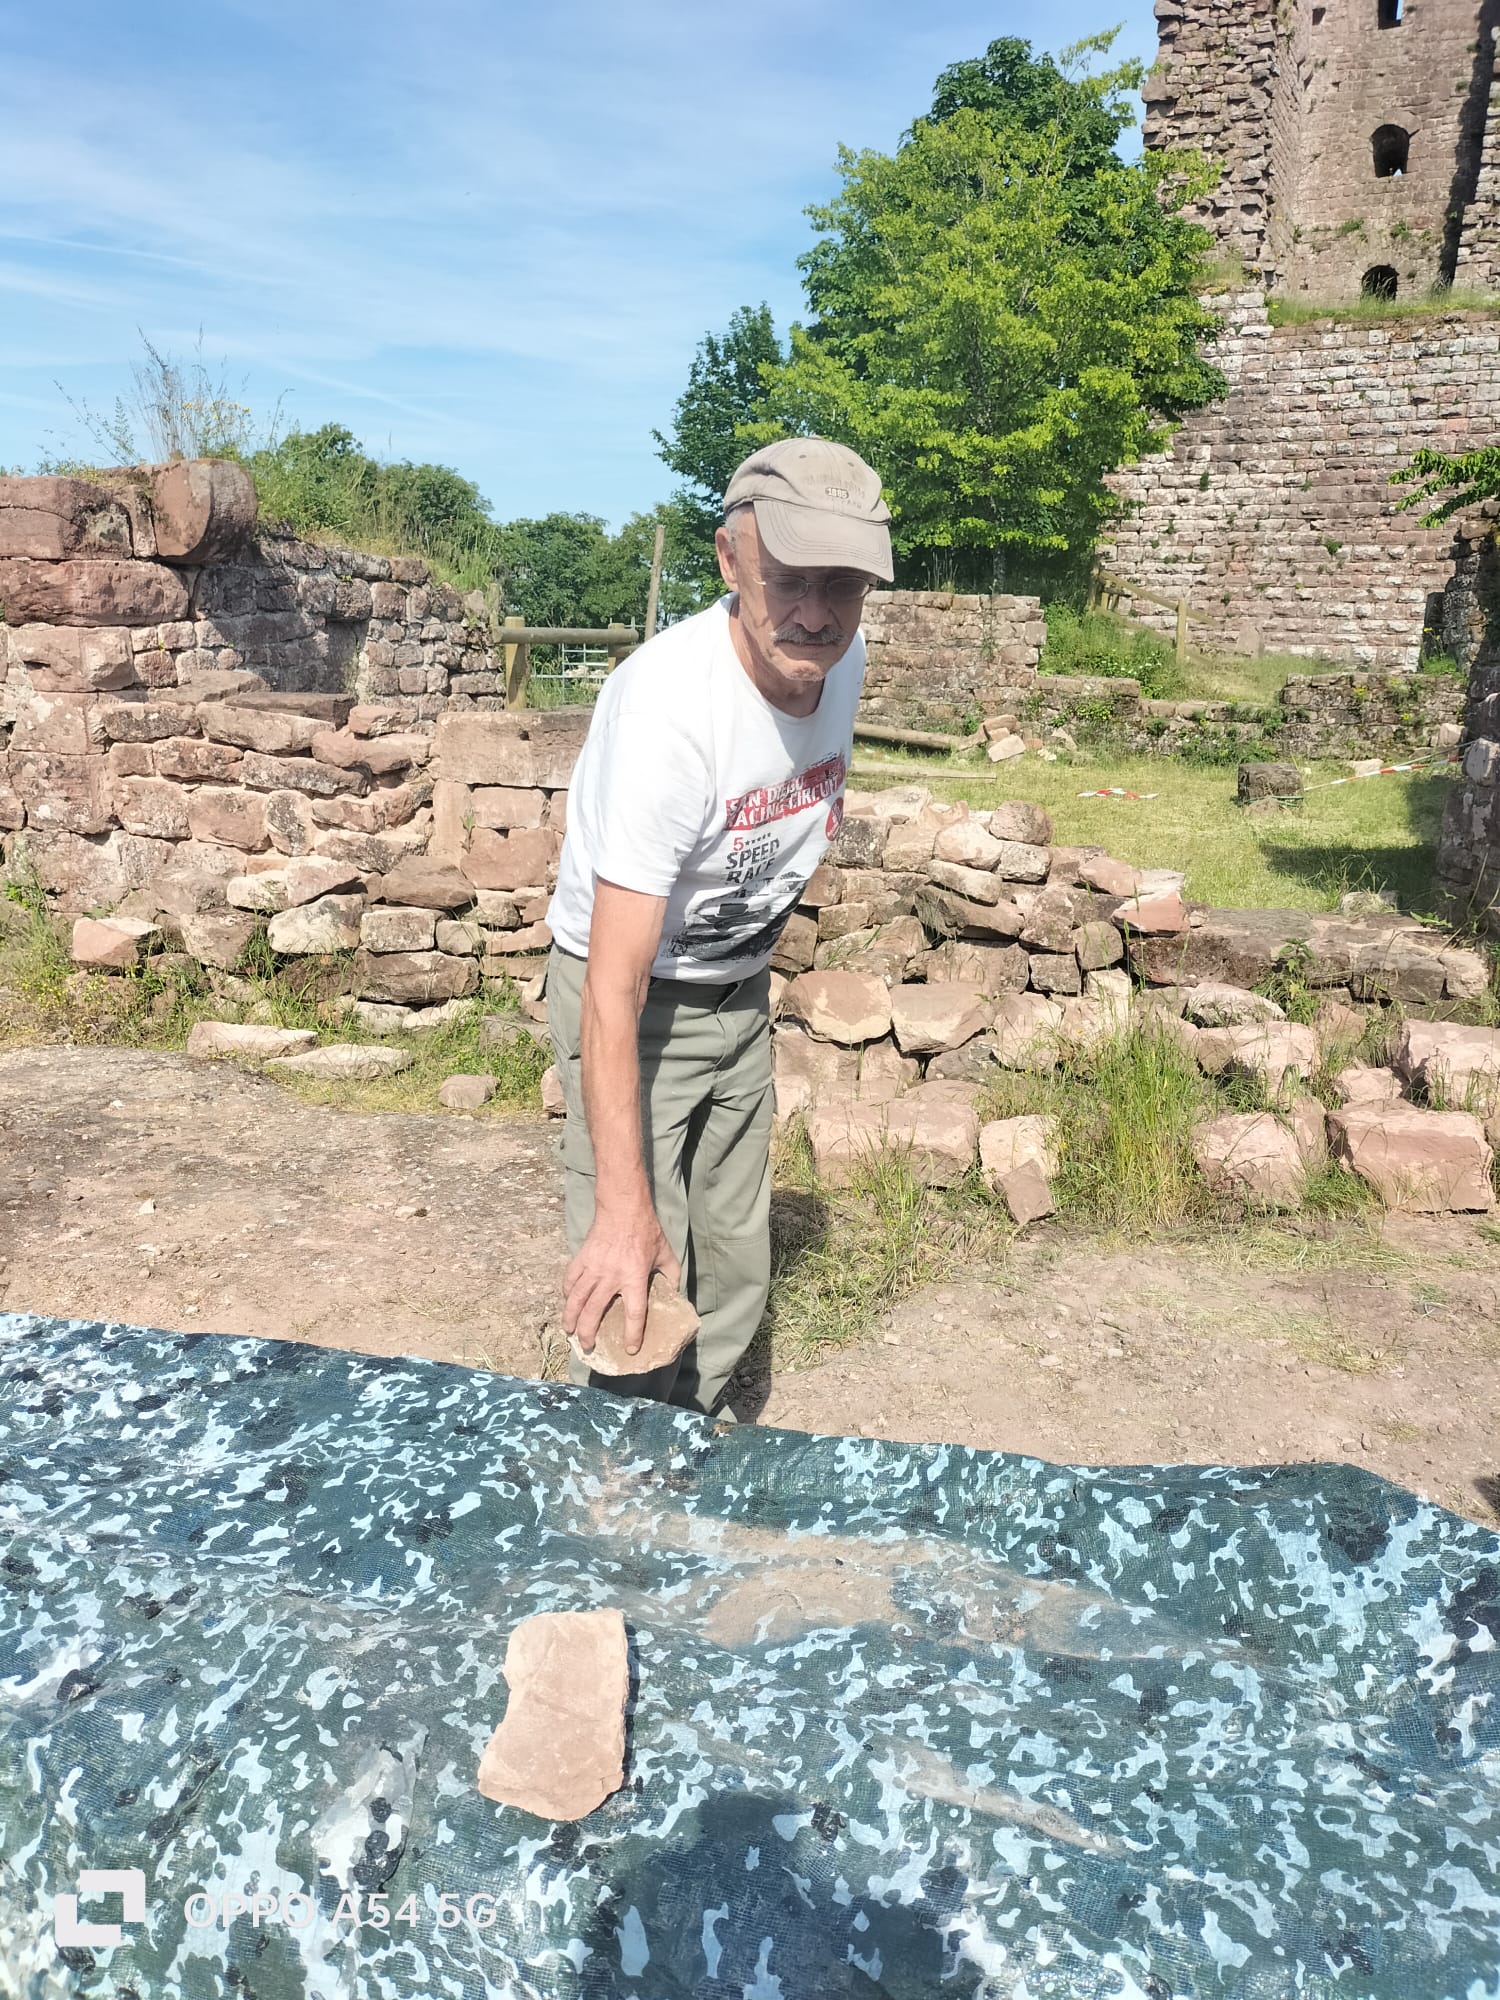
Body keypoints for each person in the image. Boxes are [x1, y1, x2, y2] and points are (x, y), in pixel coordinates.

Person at [543, 436, 893, 1416]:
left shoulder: (841, 659)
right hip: (632, 998)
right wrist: (623, 1206)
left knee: (735, 1248)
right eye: (790, 579)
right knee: (637, 1268)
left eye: (845, 585)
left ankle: (698, 1440)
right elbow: (612, 984)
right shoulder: (669, 712)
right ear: (730, 561)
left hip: (736, 987)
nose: (817, 614)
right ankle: (618, 1463)